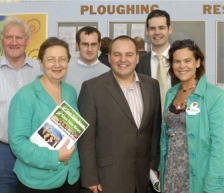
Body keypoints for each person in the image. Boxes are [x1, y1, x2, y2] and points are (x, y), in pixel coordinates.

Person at [78, 35, 162, 193]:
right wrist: (89, 178)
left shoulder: (152, 86)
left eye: (129, 54)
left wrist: (153, 166)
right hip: (107, 179)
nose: (123, 60)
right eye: (117, 54)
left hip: (142, 177)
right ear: (109, 57)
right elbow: (86, 139)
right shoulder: (92, 88)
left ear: (137, 58)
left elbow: (154, 132)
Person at [8, 37, 80, 192]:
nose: (57, 64)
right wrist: (54, 157)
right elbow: (18, 143)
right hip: (37, 181)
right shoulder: (25, 95)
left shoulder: (70, 92)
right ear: (41, 62)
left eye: (62, 59)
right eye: (50, 59)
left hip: (70, 177)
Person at [0, 17, 42, 193]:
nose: (14, 42)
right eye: (9, 37)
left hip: (34, 152)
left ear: (27, 40)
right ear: (1, 40)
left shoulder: (40, 71)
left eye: (19, 37)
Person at [159, 39, 224, 193]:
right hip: (171, 172)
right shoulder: (171, 93)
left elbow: (219, 145)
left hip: (197, 176)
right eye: (177, 61)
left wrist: (213, 185)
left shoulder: (214, 96)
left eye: (187, 60)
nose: (182, 66)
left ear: (197, 62)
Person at [136, 9, 178, 112]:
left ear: (170, 29)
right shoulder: (137, 63)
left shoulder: (181, 61)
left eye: (161, 28)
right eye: (152, 28)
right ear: (147, 31)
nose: (157, 32)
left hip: (178, 123)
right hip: (149, 125)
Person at [63, 26, 110, 95]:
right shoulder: (64, 72)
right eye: (85, 44)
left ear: (99, 45)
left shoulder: (109, 73)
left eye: (93, 44)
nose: (90, 49)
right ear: (77, 45)